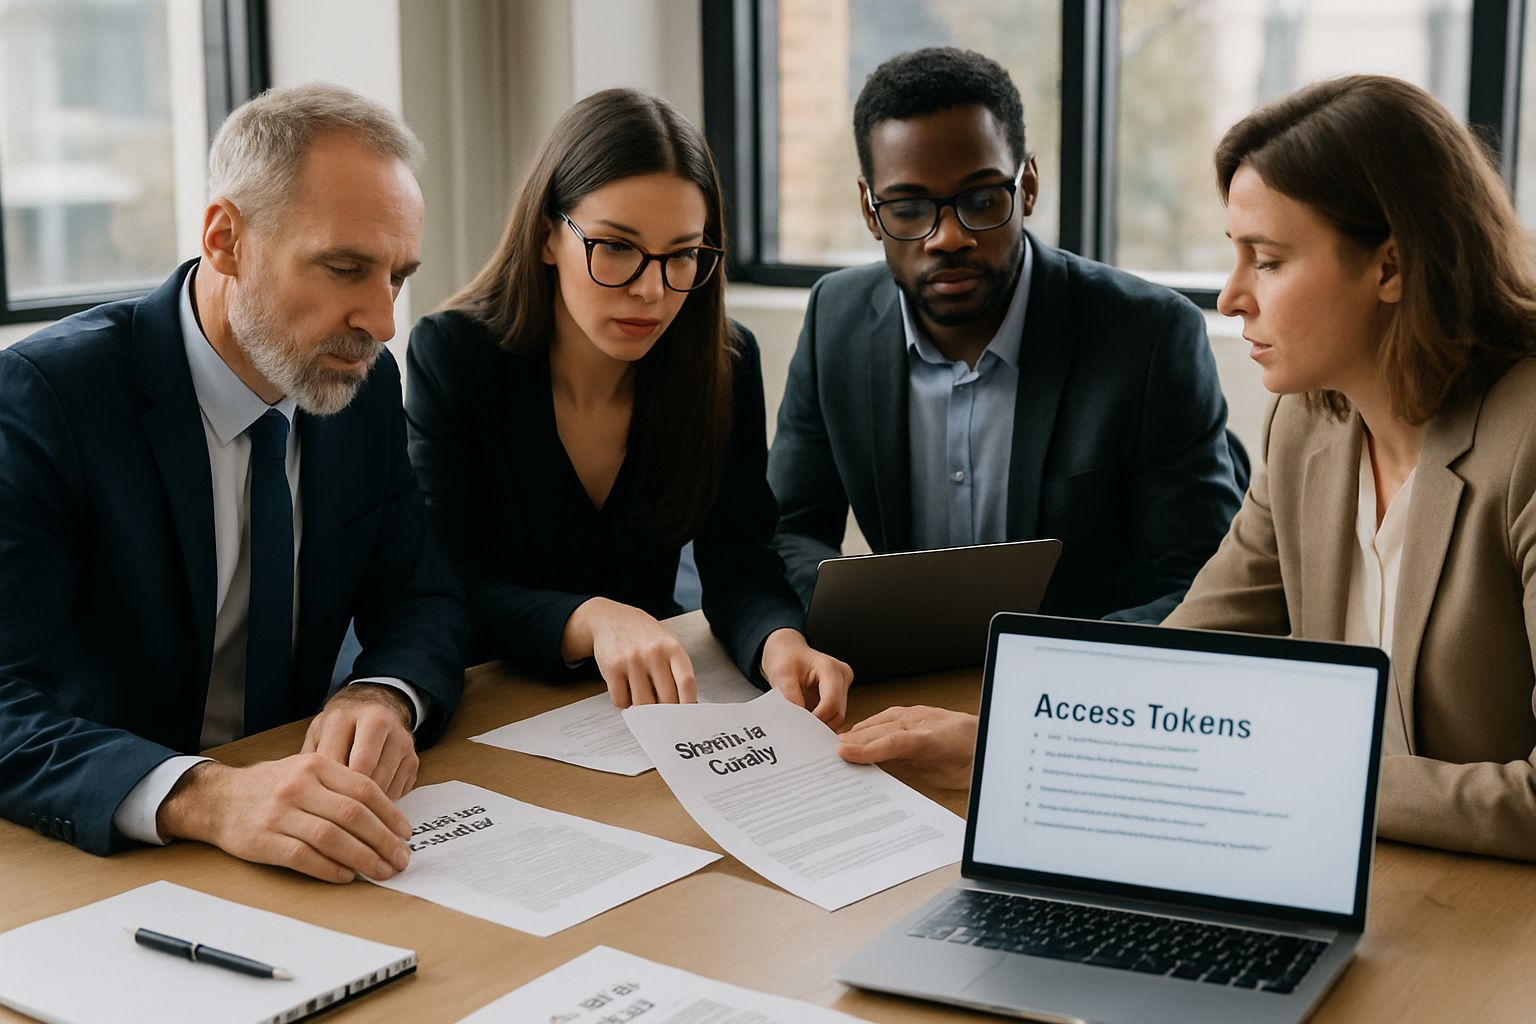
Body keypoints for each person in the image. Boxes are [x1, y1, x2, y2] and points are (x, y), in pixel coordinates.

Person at [844, 74, 1536, 866]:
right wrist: (1008, 740)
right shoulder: (1311, 426)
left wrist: (1279, 774)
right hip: (1338, 866)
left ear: (1391, 266)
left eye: (1267, 260)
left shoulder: (1528, 442)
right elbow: (1184, 657)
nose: (1233, 295)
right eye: (1234, 254)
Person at [0, 84, 471, 884]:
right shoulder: (46, 400)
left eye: (396, 275)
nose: (382, 320)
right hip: (100, 857)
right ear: (226, 239)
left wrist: (381, 695)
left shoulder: (360, 388)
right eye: (345, 267)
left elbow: (423, 599)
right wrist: (209, 797)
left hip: (303, 832)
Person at [405, 89, 853, 725]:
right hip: (488, 702)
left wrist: (779, 640)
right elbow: (447, 585)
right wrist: (592, 618)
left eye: (682, 255)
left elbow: (740, 557)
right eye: (616, 246)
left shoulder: (724, 363)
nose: (652, 290)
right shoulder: (453, 355)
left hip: (648, 712)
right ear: (545, 237)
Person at [768, 47, 1245, 623]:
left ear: (1029, 186)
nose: (947, 237)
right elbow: (789, 529)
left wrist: (1024, 680)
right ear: (870, 211)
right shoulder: (835, 321)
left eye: (980, 199)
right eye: (910, 207)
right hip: (900, 678)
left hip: (1077, 684)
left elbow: (1197, 586)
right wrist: (872, 620)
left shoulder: (1149, 336)